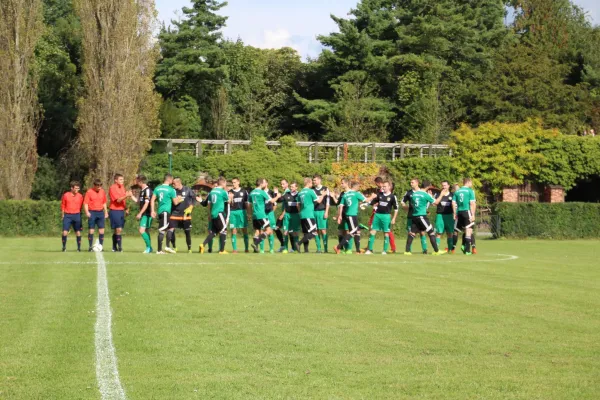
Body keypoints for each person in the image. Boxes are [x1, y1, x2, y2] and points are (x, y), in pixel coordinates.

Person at [403, 178, 441, 255]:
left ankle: (407, 251)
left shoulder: (414, 194)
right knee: (431, 232)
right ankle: (436, 251)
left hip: (414, 216)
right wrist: (442, 194)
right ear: (428, 187)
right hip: (421, 216)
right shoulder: (425, 194)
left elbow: (413, 204)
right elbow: (436, 202)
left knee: (412, 233)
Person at [151, 174, 182, 254]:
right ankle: (159, 250)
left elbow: (152, 199)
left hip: (161, 211)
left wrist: (152, 211)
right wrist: (179, 199)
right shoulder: (171, 190)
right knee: (162, 230)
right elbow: (175, 202)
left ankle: (167, 247)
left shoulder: (157, 188)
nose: (172, 182)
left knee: (170, 228)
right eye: (172, 180)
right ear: (169, 180)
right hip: (165, 212)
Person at [334, 181, 367, 254]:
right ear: (355, 187)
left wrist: (339, 216)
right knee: (353, 232)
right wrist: (373, 197)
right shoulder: (356, 193)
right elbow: (366, 200)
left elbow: (341, 206)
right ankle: (338, 247)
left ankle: (358, 251)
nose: (359, 188)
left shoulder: (345, 195)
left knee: (357, 232)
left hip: (348, 215)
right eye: (358, 187)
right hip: (352, 215)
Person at [366, 181, 398, 255]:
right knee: (372, 231)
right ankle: (370, 250)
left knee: (386, 233)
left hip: (386, 216)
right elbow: (372, 202)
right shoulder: (379, 194)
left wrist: (394, 218)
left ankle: (384, 250)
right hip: (377, 215)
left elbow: (396, 209)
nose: (383, 187)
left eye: (385, 186)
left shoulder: (393, 197)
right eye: (383, 186)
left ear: (389, 187)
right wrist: (365, 205)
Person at [199, 177, 230, 254]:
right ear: (223, 183)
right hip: (219, 213)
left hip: (213, 213)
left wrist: (209, 213)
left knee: (214, 232)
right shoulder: (223, 192)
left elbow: (208, 204)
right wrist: (231, 197)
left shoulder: (212, 191)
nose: (226, 185)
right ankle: (222, 250)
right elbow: (228, 201)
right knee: (224, 230)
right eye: (225, 183)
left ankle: (202, 245)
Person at [249, 178, 279, 253]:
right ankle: (255, 243)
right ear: (261, 184)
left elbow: (248, 204)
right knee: (269, 230)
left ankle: (255, 250)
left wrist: (249, 214)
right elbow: (272, 201)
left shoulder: (252, 192)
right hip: (261, 215)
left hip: (255, 215)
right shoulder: (262, 192)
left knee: (257, 231)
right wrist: (277, 196)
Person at [295, 177, 325, 253]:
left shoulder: (300, 192)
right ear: (308, 183)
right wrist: (323, 195)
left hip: (302, 215)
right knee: (314, 232)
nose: (312, 184)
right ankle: (298, 243)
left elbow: (297, 205)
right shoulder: (310, 191)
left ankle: (306, 250)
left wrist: (300, 212)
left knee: (306, 233)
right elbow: (318, 201)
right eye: (311, 182)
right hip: (309, 214)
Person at [168, 177, 196, 253]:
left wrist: (191, 207)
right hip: (174, 214)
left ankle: (189, 249)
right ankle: (174, 247)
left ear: (178, 183)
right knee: (171, 231)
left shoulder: (187, 190)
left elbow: (194, 199)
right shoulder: (173, 191)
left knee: (187, 232)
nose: (172, 185)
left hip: (185, 215)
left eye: (174, 183)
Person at [108, 174, 133, 252]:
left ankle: (114, 247)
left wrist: (126, 208)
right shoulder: (112, 188)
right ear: (116, 180)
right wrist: (126, 195)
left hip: (121, 211)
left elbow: (124, 200)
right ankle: (120, 247)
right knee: (118, 229)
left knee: (118, 230)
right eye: (121, 179)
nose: (122, 181)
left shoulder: (122, 187)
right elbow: (118, 200)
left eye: (123, 179)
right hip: (114, 210)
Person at [401, 184, 428, 254]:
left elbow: (427, 202)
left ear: (417, 183)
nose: (411, 184)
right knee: (410, 233)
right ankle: (408, 250)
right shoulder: (409, 193)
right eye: (410, 182)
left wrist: (425, 210)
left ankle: (425, 250)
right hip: (411, 216)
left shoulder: (423, 192)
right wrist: (405, 207)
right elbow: (402, 201)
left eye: (412, 182)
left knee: (422, 232)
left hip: (421, 215)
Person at [453, 178, 477, 255]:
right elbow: (472, 203)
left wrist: (454, 213)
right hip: (467, 211)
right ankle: (467, 250)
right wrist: (473, 214)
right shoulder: (470, 191)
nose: (472, 184)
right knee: (469, 230)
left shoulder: (457, 191)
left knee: (460, 230)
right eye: (471, 182)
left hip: (459, 212)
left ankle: (458, 247)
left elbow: (453, 203)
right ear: (468, 182)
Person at [84, 178, 108, 251]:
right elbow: (85, 203)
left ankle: (101, 246)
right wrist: (87, 212)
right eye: (97, 185)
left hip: (100, 212)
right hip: (92, 212)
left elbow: (104, 202)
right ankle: (90, 247)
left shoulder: (102, 192)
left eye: (100, 185)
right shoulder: (89, 192)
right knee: (91, 230)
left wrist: (106, 212)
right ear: (94, 185)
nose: (99, 186)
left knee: (102, 230)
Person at [130, 175, 153, 253]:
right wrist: (131, 196)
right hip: (144, 214)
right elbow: (138, 202)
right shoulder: (142, 191)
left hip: (147, 214)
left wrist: (140, 213)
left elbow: (146, 204)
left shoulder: (147, 190)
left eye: (137, 181)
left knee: (141, 230)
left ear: (140, 181)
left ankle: (148, 247)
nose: (136, 183)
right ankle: (150, 248)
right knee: (146, 231)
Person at [229, 177, 250, 253]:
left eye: (234, 182)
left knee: (244, 230)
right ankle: (235, 249)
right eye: (232, 182)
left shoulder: (244, 191)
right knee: (233, 230)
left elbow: (247, 203)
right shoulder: (230, 192)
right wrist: (230, 198)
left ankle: (246, 248)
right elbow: (229, 203)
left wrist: (248, 214)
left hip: (242, 212)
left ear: (238, 182)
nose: (233, 184)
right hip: (233, 212)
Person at [61, 181, 84, 252]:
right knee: (65, 232)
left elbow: (81, 206)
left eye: (78, 188)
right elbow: (63, 205)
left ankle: (79, 248)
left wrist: (79, 215)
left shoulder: (80, 196)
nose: (77, 190)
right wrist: (63, 214)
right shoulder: (66, 195)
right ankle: (64, 247)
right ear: (72, 188)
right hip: (67, 215)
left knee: (78, 232)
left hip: (77, 215)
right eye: (76, 188)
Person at [433, 181, 454, 253]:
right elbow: (435, 203)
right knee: (439, 232)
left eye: (445, 185)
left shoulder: (452, 195)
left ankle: (450, 250)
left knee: (450, 233)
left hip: (449, 216)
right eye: (442, 186)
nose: (443, 187)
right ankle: (436, 249)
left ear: (448, 186)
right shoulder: (438, 194)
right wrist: (441, 195)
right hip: (440, 215)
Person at [280, 181, 301, 253]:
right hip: (287, 215)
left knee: (295, 232)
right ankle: (285, 248)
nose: (291, 188)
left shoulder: (299, 195)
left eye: (292, 187)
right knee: (285, 231)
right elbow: (280, 200)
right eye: (291, 186)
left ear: (296, 187)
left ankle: (296, 248)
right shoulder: (286, 194)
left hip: (296, 215)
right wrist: (276, 194)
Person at [312, 175, 330, 253]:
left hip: (322, 211)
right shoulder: (312, 190)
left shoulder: (326, 189)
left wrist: (326, 211)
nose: (314, 181)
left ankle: (325, 248)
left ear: (319, 180)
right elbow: (314, 200)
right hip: (314, 212)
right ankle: (318, 248)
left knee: (323, 230)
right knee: (315, 230)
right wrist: (322, 195)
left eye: (315, 180)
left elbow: (328, 202)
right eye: (313, 180)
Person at [262, 181, 280, 253]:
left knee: (271, 231)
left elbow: (275, 204)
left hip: (270, 213)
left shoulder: (271, 192)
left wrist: (271, 212)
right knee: (262, 230)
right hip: (262, 214)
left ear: (267, 183)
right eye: (262, 182)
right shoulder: (260, 192)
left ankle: (271, 249)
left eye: (264, 182)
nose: (263, 184)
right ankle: (261, 249)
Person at [276, 179, 290, 252]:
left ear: (287, 184)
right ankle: (283, 245)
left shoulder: (288, 192)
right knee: (276, 228)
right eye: (281, 184)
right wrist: (277, 193)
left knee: (287, 230)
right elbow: (279, 200)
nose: (282, 185)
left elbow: (287, 205)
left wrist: (283, 214)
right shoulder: (284, 192)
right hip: (283, 213)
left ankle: (290, 247)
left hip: (286, 214)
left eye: (283, 184)